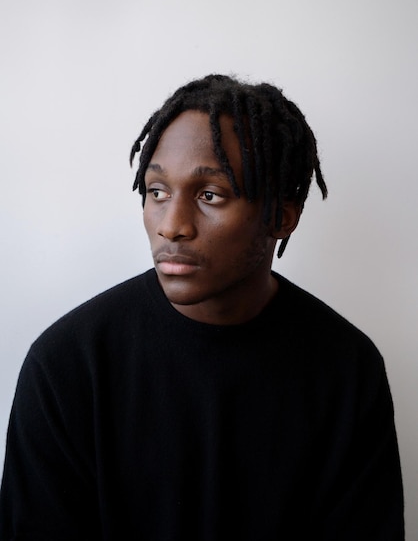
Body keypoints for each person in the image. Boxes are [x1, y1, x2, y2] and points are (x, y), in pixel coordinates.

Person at [0, 74, 404, 540]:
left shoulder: (345, 369)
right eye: (157, 192)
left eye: (210, 195)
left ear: (280, 216)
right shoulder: (69, 364)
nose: (171, 226)